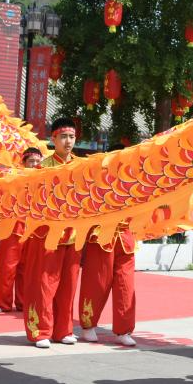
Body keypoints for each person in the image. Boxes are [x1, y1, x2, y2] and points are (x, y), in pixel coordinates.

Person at [23, 118, 82, 348]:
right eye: (64, 137)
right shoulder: (43, 168)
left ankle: (63, 330)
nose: (68, 142)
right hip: (47, 234)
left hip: (73, 234)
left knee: (68, 284)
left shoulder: (82, 166)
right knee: (45, 285)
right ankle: (41, 331)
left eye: (72, 137)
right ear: (53, 139)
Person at [79, 143, 138, 347]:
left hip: (125, 237)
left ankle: (124, 330)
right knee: (96, 282)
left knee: (125, 284)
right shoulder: (96, 180)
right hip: (101, 236)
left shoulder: (134, 180)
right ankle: (88, 325)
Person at [0, 146, 42, 313]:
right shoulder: (13, 178)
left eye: (37, 161)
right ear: (24, 163)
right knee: (7, 266)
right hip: (13, 226)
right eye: (31, 161)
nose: (34, 164)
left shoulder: (43, 180)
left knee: (27, 269)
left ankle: (23, 302)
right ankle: (3, 303)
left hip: (33, 229)